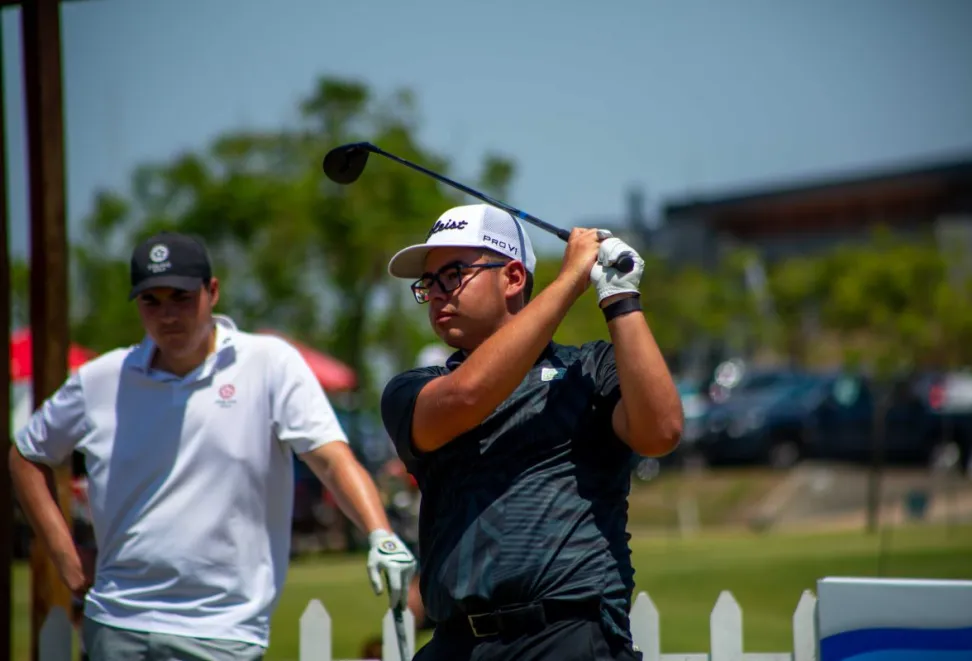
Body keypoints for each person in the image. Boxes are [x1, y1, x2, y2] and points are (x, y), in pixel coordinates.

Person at [9, 231, 416, 661]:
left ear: (213, 291)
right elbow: (25, 455)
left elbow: (330, 458)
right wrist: (65, 556)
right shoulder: (102, 378)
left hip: (224, 630)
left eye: (181, 297)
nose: (167, 315)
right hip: (116, 621)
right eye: (151, 301)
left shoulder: (268, 363)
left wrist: (381, 533)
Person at [379, 204, 683, 660]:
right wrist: (569, 282)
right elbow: (468, 396)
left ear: (514, 278)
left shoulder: (588, 368)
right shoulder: (415, 389)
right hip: (457, 644)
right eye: (429, 282)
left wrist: (620, 298)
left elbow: (661, 432)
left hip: (569, 638)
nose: (437, 293)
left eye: (453, 275)